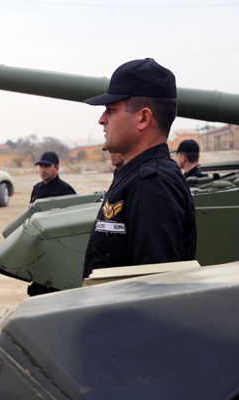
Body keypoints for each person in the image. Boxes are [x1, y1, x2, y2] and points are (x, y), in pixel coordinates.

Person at [82, 58, 197, 279]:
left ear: (143, 118)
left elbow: (157, 291)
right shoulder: (137, 177)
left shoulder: (153, 185)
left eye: (111, 110)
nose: (101, 119)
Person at [27, 150, 76, 296]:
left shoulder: (66, 191)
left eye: (47, 166)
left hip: (59, 250)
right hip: (40, 248)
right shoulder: (37, 189)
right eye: (41, 166)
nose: (43, 170)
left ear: (57, 168)